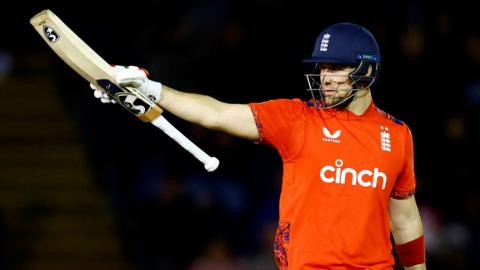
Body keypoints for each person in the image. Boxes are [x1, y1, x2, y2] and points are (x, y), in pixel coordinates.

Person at [91, 22, 427, 270]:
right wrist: (151, 89)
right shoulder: (297, 119)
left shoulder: (397, 135)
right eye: (322, 68)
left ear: (367, 69)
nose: (325, 77)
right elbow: (215, 113)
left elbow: (406, 219)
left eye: (337, 67)